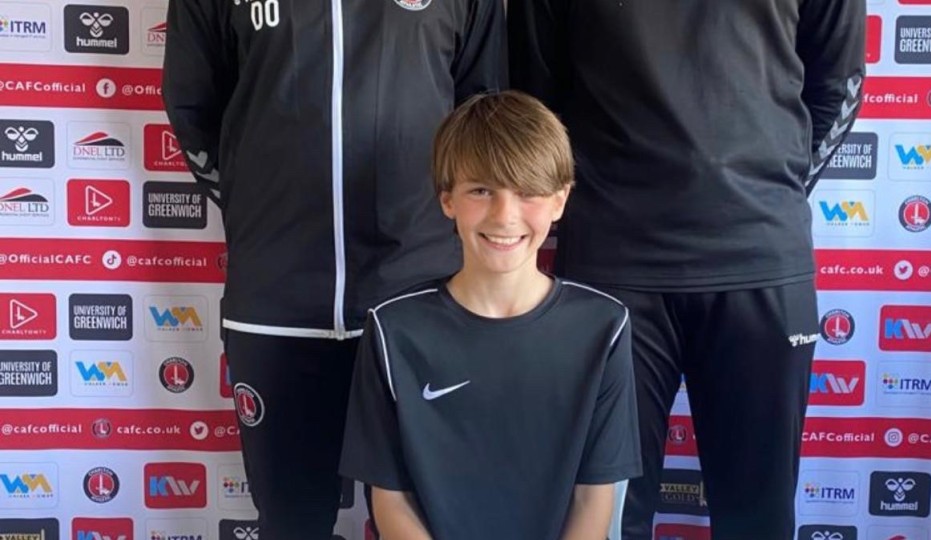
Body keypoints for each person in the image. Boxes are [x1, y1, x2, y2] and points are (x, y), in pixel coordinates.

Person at [508, 1, 865, 538]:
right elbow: (537, 97)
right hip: (613, 265)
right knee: (604, 517)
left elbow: (837, 84)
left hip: (759, 262)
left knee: (758, 518)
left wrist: (767, 190)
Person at [162, 1, 505, 537]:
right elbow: (194, 106)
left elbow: (483, 110)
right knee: (291, 522)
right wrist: (258, 198)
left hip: (418, 298)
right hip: (277, 302)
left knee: (430, 521)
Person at [339, 91, 643, 540]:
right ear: (447, 200)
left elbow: (593, 499)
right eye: (481, 190)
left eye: (528, 193)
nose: (505, 216)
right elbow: (390, 499)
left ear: (559, 201)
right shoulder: (393, 330)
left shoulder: (603, 327)